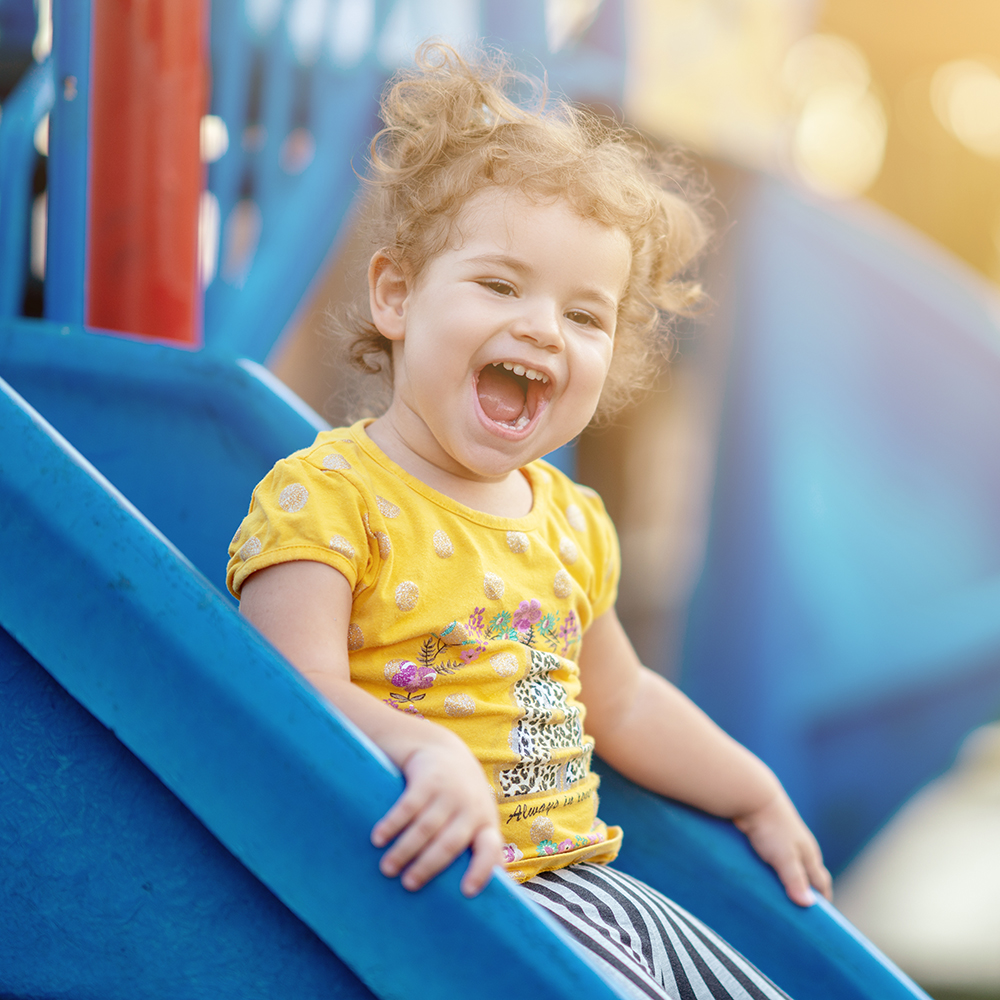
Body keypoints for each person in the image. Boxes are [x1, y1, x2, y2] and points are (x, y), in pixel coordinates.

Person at [227, 43, 831, 1000]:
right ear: (396, 294)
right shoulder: (329, 497)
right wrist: (425, 748)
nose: (546, 327)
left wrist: (751, 789)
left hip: (582, 882)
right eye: (502, 286)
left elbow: (622, 703)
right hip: (433, 885)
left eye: (586, 316)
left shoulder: (571, 523)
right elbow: (279, 688)